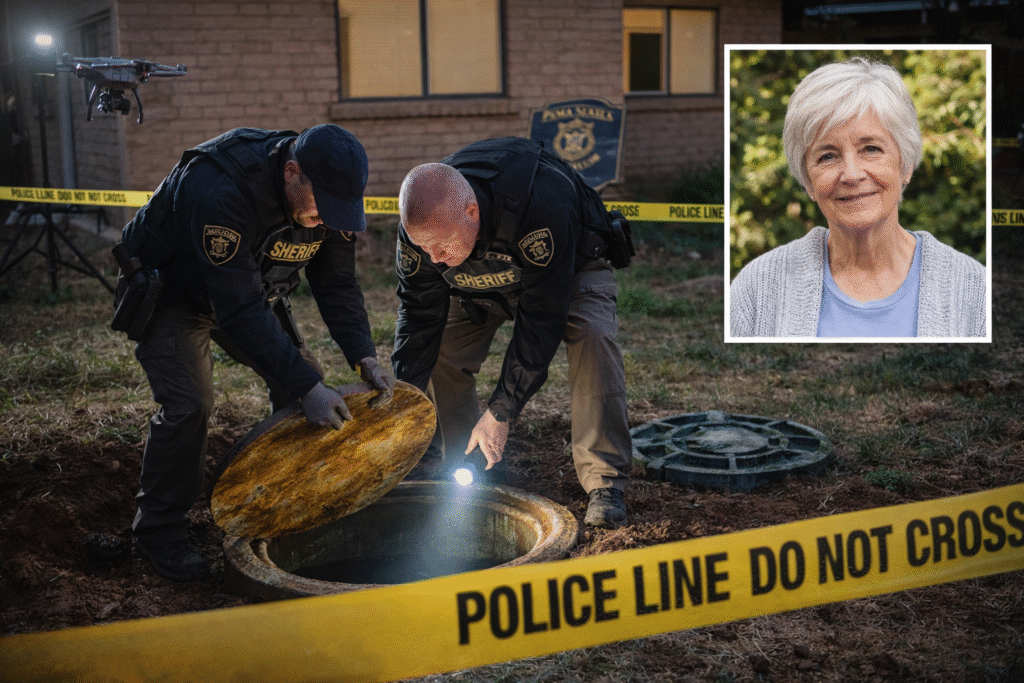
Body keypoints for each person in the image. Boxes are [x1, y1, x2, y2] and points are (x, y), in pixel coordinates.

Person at [113, 125, 395, 581]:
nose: (328, 219)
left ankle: (291, 500)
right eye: (322, 207)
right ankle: (159, 532)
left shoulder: (330, 200)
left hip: (253, 289)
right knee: (190, 404)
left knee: (301, 381)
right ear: (291, 173)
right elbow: (238, 308)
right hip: (175, 293)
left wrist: (365, 356)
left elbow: (337, 284)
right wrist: (309, 388)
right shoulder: (221, 190)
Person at [391, 137, 632, 528]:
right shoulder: (425, 237)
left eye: (440, 245)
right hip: (475, 280)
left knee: (592, 335)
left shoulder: (540, 205)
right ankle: (469, 463)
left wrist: (501, 410)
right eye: (424, 248)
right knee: (439, 349)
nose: (433, 258)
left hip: (569, 270)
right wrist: (400, 407)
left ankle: (604, 481)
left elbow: (542, 321)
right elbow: (418, 319)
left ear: (471, 211)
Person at [730, 57, 986, 338]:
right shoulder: (756, 287)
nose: (851, 174)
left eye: (871, 149)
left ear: (906, 164)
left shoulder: (974, 289)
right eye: (828, 156)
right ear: (808, 182)